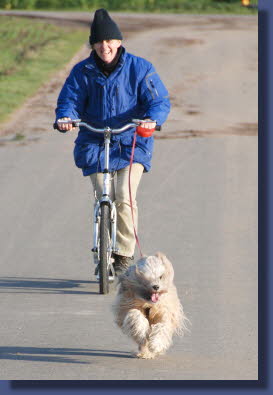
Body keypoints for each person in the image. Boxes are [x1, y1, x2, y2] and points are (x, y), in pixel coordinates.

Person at [55, 9, 170, 275]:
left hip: (131, 142)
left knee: (124, 197)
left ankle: (123, 254)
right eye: (98, 42)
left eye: (109, 41)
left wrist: (152, 119)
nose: (104, 46)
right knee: (102, 195)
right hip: (94, 140)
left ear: (119, 41)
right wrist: (66, 117)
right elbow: (68, 100)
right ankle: (102, 247)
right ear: (93, 44)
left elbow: (158, 100)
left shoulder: (140, 68)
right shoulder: (82, 71)